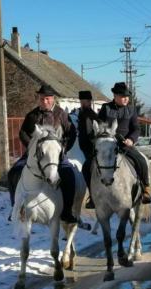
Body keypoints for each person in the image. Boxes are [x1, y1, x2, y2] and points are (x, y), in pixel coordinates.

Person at [7, 84, 78, 223]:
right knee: (13, 172)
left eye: (47, 99)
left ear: (53, 99)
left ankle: (67, 211)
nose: (44, 101)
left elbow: (72, 133)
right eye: (41, 98)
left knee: (70, 175)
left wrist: (63, 148)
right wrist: (31, 147)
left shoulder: (62, 115)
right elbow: (22, 133)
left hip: (55, 156)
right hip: (34, 156)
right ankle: (15, 208)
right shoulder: (32, 115)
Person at [98, 82, 151, 204]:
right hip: (107, 145)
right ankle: (92, 194)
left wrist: (131, 139)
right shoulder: (105, 108)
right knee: (87, 165)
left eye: (127, 96)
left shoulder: (131, 109)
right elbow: (100, 127)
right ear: (115, 96)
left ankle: (146, 188)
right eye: (123, 96)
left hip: (125, 144)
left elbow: (136, 128)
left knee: (141, 160)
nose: (126, 99)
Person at [72, 90, 99, 209]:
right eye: (81, 101)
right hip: (80, 147)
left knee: (86, 169)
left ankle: (93, 196)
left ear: (90, 102)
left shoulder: (91, 116)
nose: (83, 103)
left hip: (91, 149)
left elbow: (91, 135)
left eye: (85, 101)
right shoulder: (79, 114)